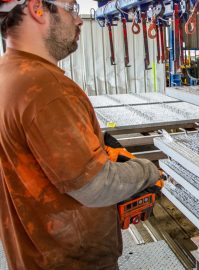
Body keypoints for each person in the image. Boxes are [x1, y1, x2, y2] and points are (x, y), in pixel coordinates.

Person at [0, 0, 161, 269]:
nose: (78, 20)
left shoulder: (9, 73)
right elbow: (97, 188)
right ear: (38, 9)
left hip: (34, 255)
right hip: (71, 260)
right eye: (71, 8)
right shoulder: (46, 88)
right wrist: (148, 170)